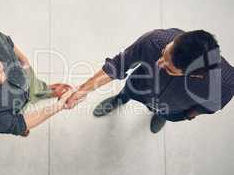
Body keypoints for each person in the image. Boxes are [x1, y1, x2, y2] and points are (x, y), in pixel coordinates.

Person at [65, 28, 234, 133]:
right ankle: (120, 99)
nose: (159, 63)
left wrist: (184, 115)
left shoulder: (224, 85)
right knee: (128, 91)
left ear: (195, 75)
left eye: (169, 69)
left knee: (163, 112)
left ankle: (160, 115)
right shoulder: (156, 39)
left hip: (173, 108)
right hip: (140, 85)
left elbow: (208, 107)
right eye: (163, 53)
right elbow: (117, 65)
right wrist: (82, 90)